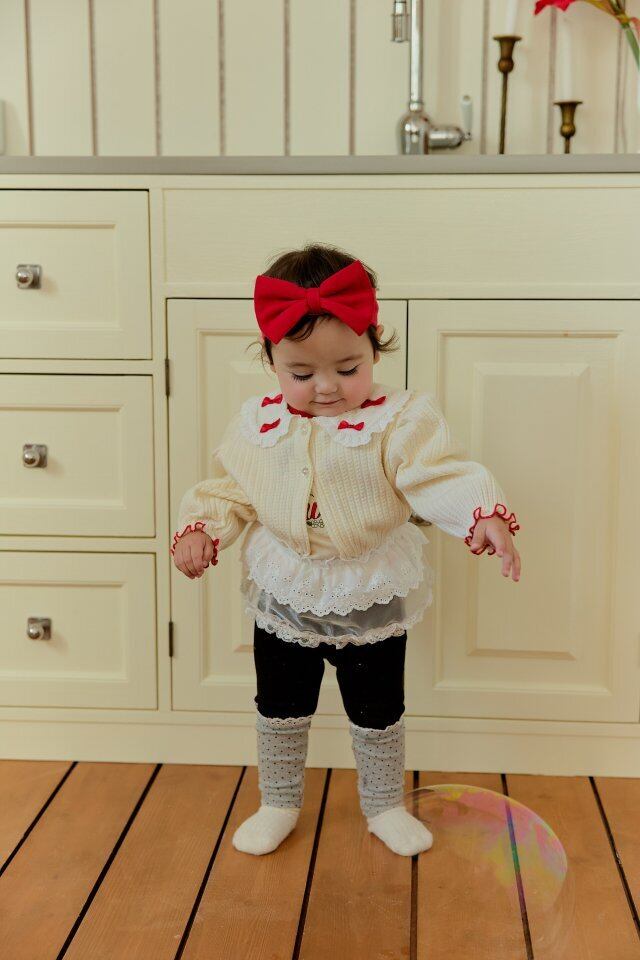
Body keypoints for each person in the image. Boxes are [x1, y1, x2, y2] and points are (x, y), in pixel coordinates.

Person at [171, 243, 521, 858]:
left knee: (377, 706)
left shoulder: (401, 419)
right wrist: (203, 528)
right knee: (280, 703)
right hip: (286, 587)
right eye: (301, 374)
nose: (327, 388)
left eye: (348, 367)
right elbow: (230, 488)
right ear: (271, 361)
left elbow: (436, 474)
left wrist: (481, 512)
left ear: (375, 348)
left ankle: (383, 804)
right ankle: (279, 800)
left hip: (369, 585)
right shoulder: (257, 422)